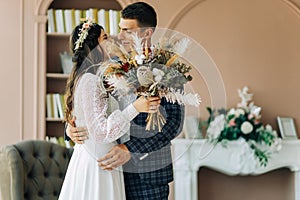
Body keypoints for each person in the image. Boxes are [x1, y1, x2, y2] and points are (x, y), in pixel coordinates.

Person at [66, 2, 185, 199]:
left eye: (127, 30)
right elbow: (88, 104)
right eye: (120, 29)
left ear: (147, 33)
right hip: (110, 171)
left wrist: (130, 149)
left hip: (149, 175)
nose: (119, 36)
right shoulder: (108, 65)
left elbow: (173, 124)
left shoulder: (168, 69)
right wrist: (71, 129)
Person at [59, 19, 161, 200]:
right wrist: (135, 108)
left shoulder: (95, 74)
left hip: (118, 163)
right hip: (100, 161)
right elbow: (100, 130)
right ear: (94, 45)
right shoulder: (91, 79)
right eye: (105, 37)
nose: (114, 38)